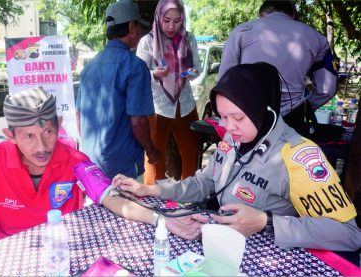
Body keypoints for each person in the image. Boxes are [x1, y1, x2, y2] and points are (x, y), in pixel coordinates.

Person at [113, 63, 361, 251]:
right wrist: (151, 190)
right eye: (223, 116)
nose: (228, 127)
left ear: (263, 110)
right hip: (224, 250)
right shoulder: (234, 138)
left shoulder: (299, 156)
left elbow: (350, 234)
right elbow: (205, 183)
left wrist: (267, 222)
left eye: (238, 117)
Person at [0, 88, 204, 247]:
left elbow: (115, 200)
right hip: (13, 250)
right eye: (29, 136)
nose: (42, 146)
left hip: (61, 251)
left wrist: (161, 219)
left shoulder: (73, 159)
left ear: (59, 125)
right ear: (10, 136)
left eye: (48, 131)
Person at [217, 0, 337, 138]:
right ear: (293, 13)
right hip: (291, 118)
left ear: (262, 13)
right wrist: (304, 107)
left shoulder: (242, 31)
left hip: (247, 115)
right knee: (287, 158)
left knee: (244, 158)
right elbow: (327, 89)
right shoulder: (317, 38)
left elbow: (224, 81)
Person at [76, 0, 160, 180]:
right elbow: (138, 121)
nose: (140, 32)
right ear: (131, 26)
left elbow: (79, 115)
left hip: (91, 162)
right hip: (123, 165)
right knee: (127, 207)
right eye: (139, 26)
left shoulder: (89, 67)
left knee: (98, 208)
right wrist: (152, 152)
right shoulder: (135, 66)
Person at [136, 0, 201, 185]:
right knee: (154, 153)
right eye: (167, 20)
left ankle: (190, 191)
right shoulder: (147, 41)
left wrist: (191, 73)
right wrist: (154, 74)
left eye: (177, 20)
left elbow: (197, 68)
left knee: (191, 148)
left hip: (185, 103)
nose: (172, 26)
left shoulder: (188, 39)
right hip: (157, 105)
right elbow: (138, 75)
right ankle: (153, 195)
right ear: (158, 18)